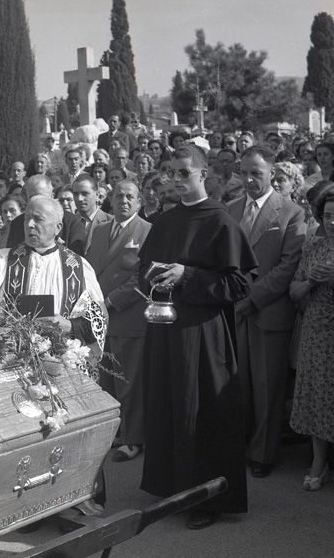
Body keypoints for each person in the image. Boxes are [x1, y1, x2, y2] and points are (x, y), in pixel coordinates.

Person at [139, 145, 258, 529]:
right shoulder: (165, 220)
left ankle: (209, 498)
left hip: (204, 335)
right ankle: (171, 486)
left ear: (203, 174)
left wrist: (186, 274)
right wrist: (154, 277)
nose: (176, 180)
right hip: (165, 331)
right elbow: (143, 268)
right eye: (171, 173)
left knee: (204, 413)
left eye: (184, 173)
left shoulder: (220, 221)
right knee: (168, 405)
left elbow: (240, 284)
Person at [227, 147, 306, 478]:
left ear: (271, 173)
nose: (248, 179)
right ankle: (239, 445)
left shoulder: (291, 212)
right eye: (244, 172)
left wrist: (253, 298)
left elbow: (288, 266)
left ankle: (263, 453)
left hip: (269, 313)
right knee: (237, 386)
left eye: (256, 173)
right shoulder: (230, 209)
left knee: (267, 389)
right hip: (235, 311)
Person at [0, 196, 107, 351]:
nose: (30, 224)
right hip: (13, 359)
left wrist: (69, 326)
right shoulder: (7, 260)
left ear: (58, 228)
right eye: (27, 218)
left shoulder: (78, 267)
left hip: (61, 360)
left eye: (38, 219)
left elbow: (98, 321)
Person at [86, 181, 151, 462]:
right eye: (119, 196)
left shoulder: (147, 230)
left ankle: (134, 438)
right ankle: (116, 431)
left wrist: (108, 302)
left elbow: (143, 278)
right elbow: (90, 270)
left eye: (130, 196)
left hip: (128, 316)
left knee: (129, 382)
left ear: (139, 202)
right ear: (110, 200)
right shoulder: (100, 229)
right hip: (100, 317)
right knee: (107, 380)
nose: (124, 200)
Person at [288, 191, 334, 490]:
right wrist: (311, 281)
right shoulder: (313, 246)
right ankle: (319, 463)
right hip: (317, 333)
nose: (332, 222)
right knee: (318, 396)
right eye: (328, 216)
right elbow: (294, 291)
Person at [7, 175, 85, 255]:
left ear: (52, 196)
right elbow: (11, 256)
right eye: (32, 197)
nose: (37, 201)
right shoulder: (17, 224)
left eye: (41, 197)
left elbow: (75, 257)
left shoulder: (71, 222)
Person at [72, 174, 113, 254]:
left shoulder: (111, 222)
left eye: (85, 193)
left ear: (97, 195)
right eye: (76, 194)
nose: (79, 199)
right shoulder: (68, 222)